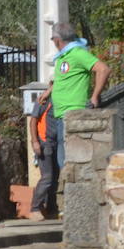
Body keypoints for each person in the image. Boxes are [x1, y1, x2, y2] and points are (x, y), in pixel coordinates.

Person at [49, 22, 110, 168]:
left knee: (66, 162)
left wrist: (95, 96)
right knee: (62, 161)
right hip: (61, 114)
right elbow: (64, 80)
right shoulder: (65, 55)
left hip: (72, 113)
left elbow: (103, 69)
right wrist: (48, 92)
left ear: (57, 40)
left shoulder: (77, 53)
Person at [26, 85, 59, 221]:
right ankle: (34, 209)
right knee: (47, 177)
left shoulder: (59, 99)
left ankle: (51, 209)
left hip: (56, 143)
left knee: (54, 178)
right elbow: (33, 121)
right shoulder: (43, 101)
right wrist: (35, 141)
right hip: (44, 143)